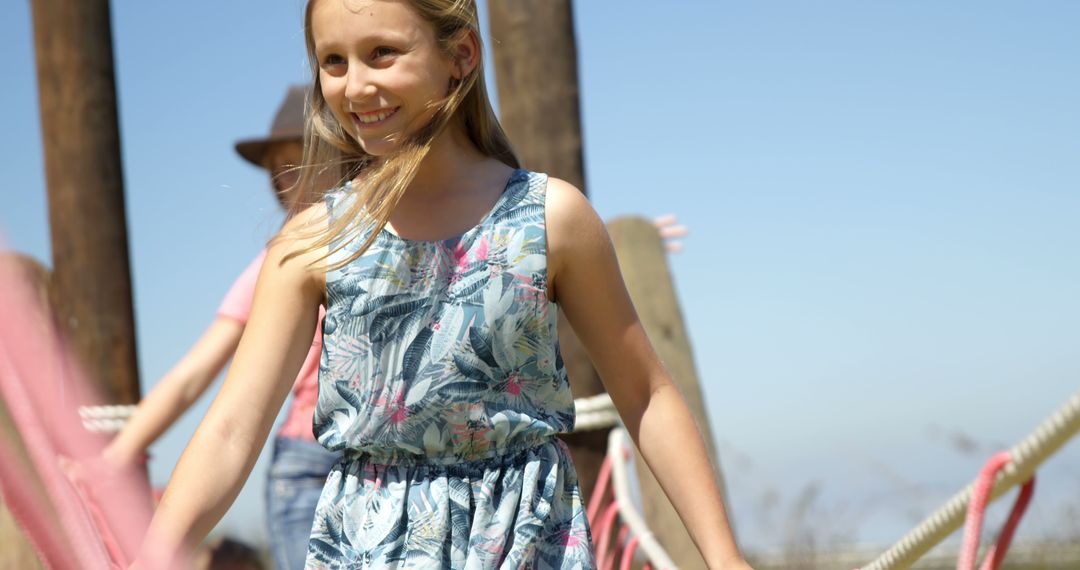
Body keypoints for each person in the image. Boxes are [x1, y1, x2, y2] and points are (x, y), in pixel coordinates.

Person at [140, 1, 749, 569]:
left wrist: (725, 559)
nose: (355, 85)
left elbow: (645, 393)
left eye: (383, 53)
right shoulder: (312, 244)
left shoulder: (550, 218)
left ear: (461, 55)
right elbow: (230, 430)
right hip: (368, 545)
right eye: (333, 61)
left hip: (524, 539)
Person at [105, 87, 341, 570]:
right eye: (280, 170)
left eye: (305, 161)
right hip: (309, 461)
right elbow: (195, 372)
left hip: (390, 455)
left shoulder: (395, 237)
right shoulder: (277, 262)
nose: (292, 183)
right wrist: (117, 456)